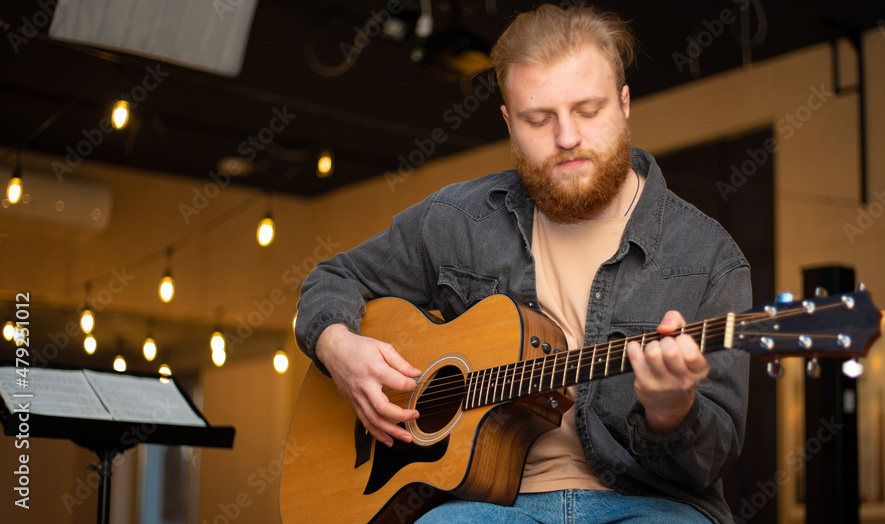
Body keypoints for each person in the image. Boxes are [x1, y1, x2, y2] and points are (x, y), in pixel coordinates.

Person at [295, 4, 751, 523]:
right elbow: (331, 279)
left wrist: (672, 412)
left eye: (588, 110)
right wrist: (338, 346)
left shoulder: (709, 255)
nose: (566, 138)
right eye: (539, 118)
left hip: (649, 501)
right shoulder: (455, 220)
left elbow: (714, 455)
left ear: (624, 105)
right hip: (489, 504)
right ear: (510, 122)